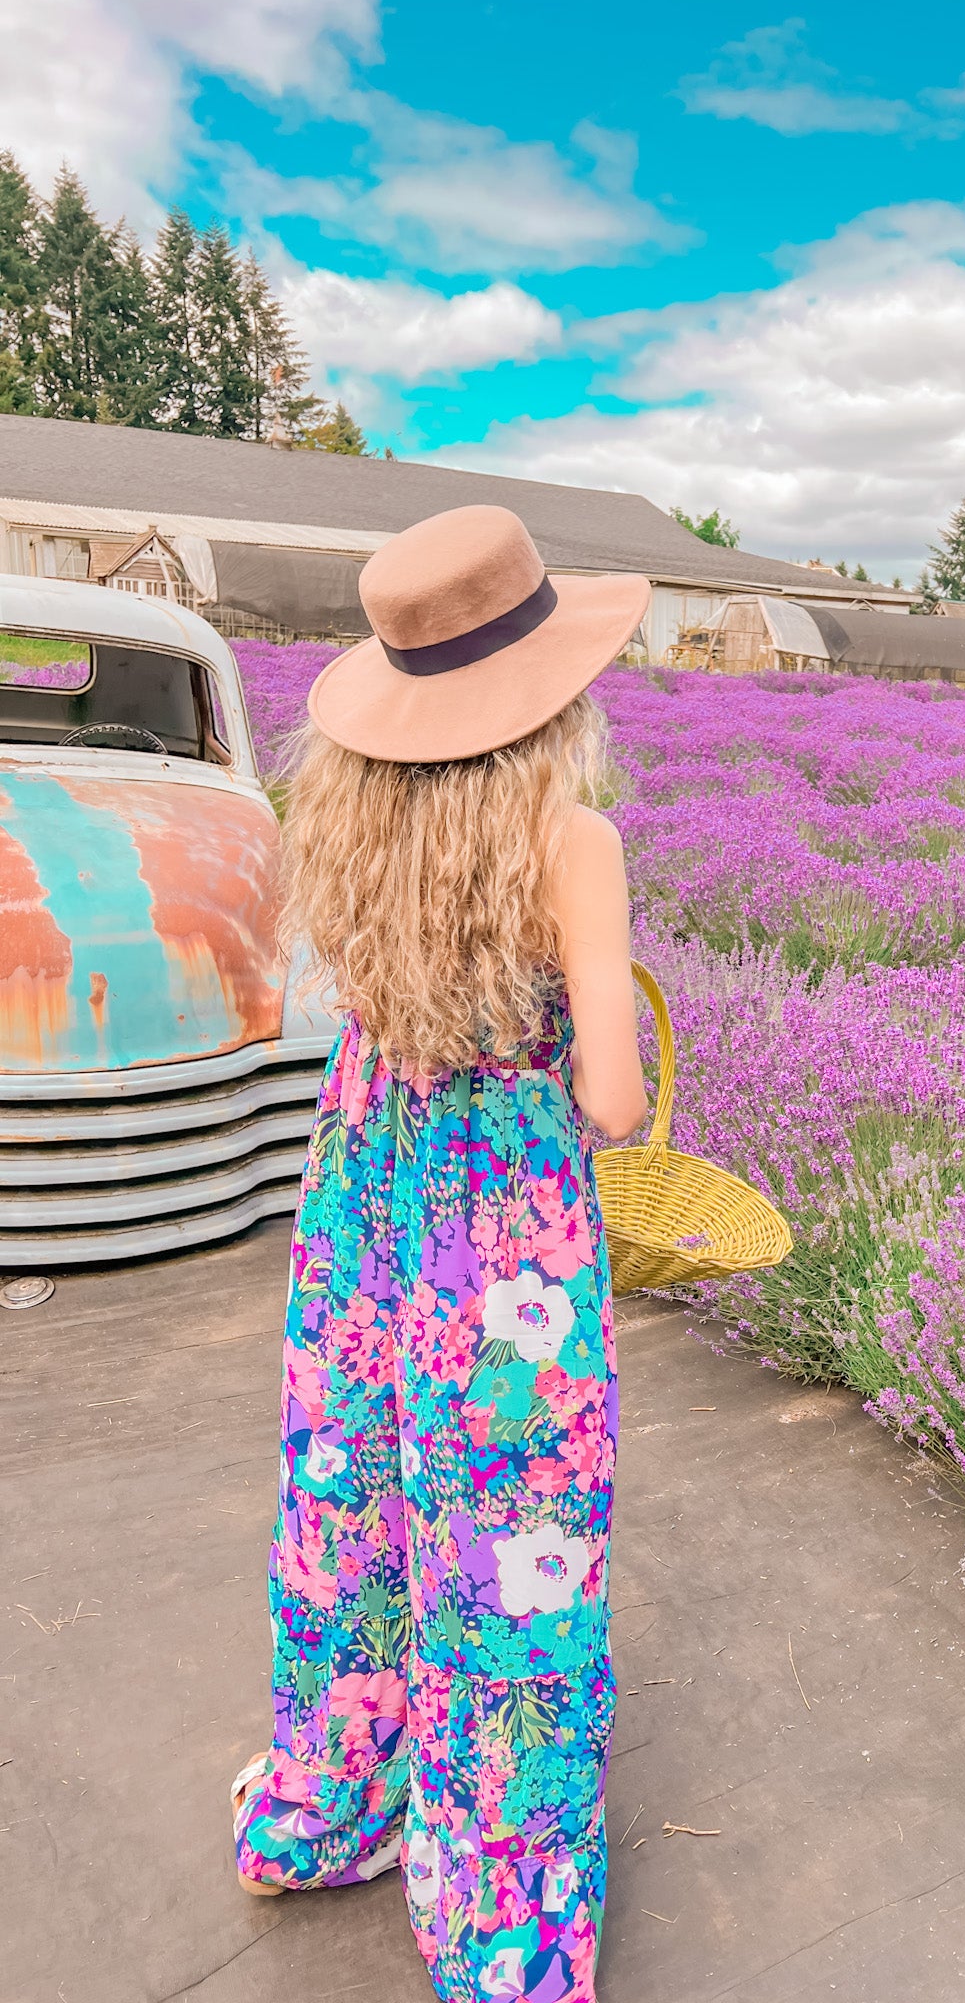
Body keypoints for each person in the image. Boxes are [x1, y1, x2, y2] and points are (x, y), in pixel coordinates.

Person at [231, 505, 651, 2003]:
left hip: (364, 1222)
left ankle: (335, 1794)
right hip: (503, 1257)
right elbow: (610, 1098)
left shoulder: (345, 826)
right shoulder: (568, 839)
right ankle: (501, 1906)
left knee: (359, 1508)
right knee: (511, 1544)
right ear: (551, 688)